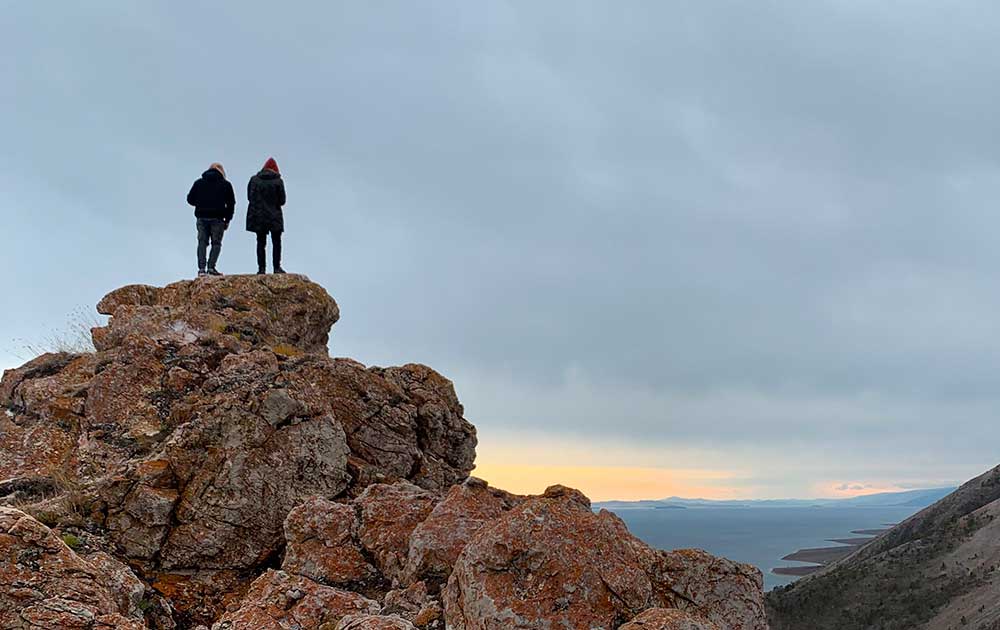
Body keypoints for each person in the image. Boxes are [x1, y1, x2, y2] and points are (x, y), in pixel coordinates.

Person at [186, 162, 235, 276]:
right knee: (216, 243)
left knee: (202, 242)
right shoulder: (226, 184)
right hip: (218, 218)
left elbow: (190, 199)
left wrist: (200, 203)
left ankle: (201, 269)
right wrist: (227, 219)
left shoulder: (199, 183)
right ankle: (211, 268)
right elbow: (231, 204)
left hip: (202, 217)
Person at [246, 157, 286, 274]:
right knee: (276, 242)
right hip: (274, 215)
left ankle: (261, 268)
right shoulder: (278, 181)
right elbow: (282, 200)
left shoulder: (254, 180)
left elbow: (250, 197)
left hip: (258, 215)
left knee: (260, 242)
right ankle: (276, 267)